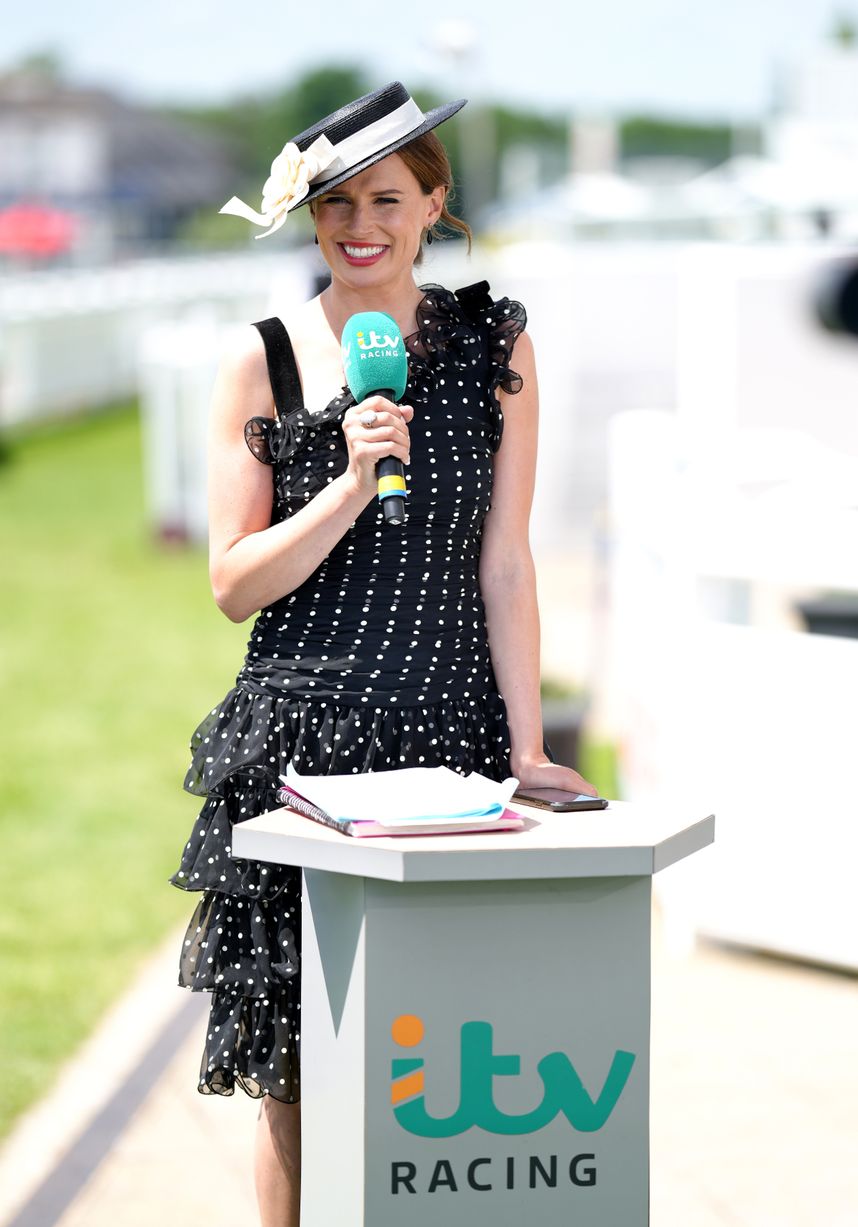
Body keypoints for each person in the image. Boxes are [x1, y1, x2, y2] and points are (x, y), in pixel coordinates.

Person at [169, 80, 596, 1227]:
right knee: (302, 1084)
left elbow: (505, 563)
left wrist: (527, 748)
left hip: (457, 743)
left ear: (435, 205)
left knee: (453, 1066)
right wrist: (352, 485)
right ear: (310, 219)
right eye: (336, 203)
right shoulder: (260, 359)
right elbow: (231, 584)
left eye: (388, 199)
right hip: (306, 753)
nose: (361, 226)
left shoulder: (495, 343)